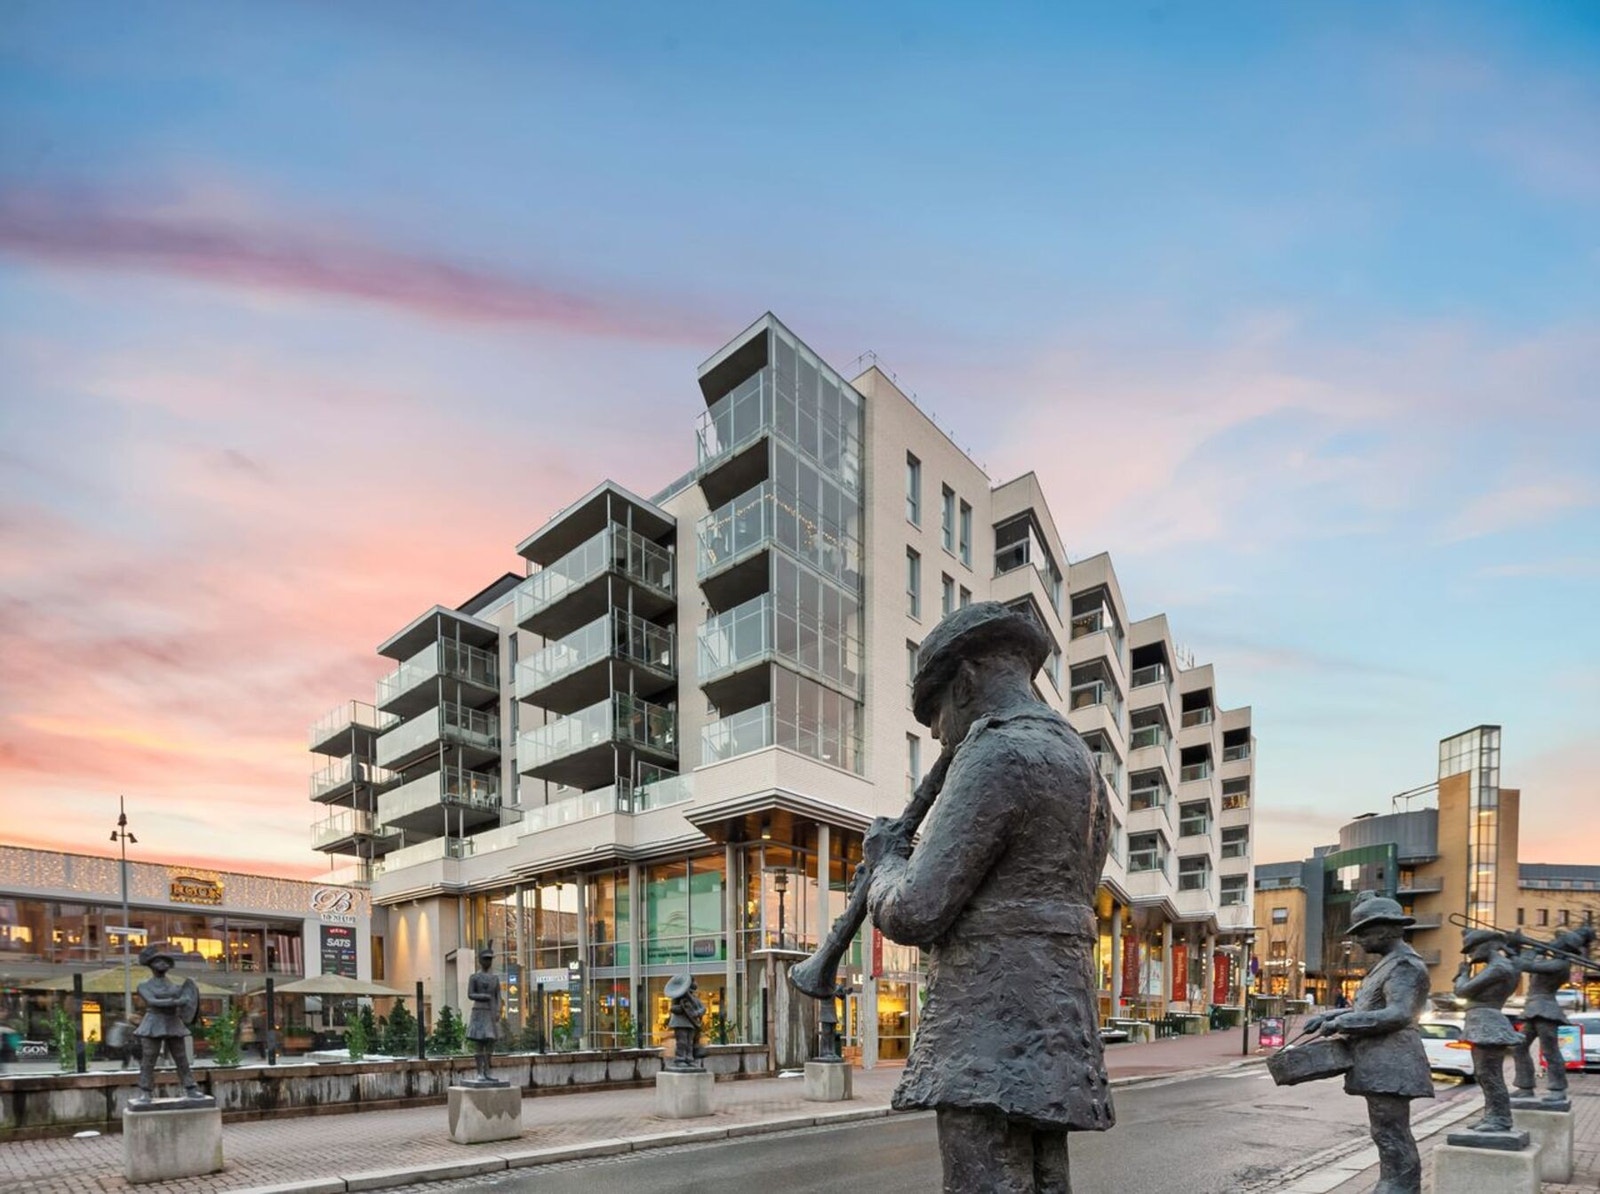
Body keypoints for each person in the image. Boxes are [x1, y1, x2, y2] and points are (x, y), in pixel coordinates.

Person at [865, 602, 1115, 1194]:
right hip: (1054, 1019)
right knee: (1044, 1179)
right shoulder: (1082, 763)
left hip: (987, 1025)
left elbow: (917, 909)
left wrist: (885, 864)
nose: (940, 737)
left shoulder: (994, 751)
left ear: (967, 681)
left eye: (938, 718)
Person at [1304, 893, 1432, 1194]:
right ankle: (1394, 1183)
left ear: (1386, 929)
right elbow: (1370, 1010)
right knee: (1383, 1130)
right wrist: (1333, 1014)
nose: (1358, 939)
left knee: (1392, 1131)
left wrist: (1340, 1023)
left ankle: (1400, 1186)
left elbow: (1399, 1014)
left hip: (1393, 1060)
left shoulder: (1405, 965)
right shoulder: (1389, 964)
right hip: (1381, 1060)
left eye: (1363, 931)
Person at [1512, 924, 1595, 1103]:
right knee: (1518, 1047)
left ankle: (1558, 1089)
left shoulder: (1560, 965)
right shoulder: (1548, 960)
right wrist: (1524, 947)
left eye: (1559, 941)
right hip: (1533, 1008)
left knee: (1550, 1051)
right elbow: (1523, 962)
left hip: (1546, 1010)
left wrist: (1533, 949)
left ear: (1565, 947)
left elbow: (1524, 965)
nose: (1554, 942)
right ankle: (1525, 1087)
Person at [1451, 929, 1521, 1132]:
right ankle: (1492, 1115)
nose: (1470, 954)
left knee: (1490, 1075)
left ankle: (1500, 1118)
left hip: (1488, 1024)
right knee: (1483, 1074)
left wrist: (1463, 975)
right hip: (1482, 1022)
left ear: (1487, 944)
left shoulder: (1499, 967)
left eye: (1472, 948)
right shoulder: (1496, 966)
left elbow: (1462, 991)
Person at [132, 941, 204, 1103]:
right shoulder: (144, 986)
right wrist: (177, 1002)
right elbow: (152, 1002)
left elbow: (189, 1000)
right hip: (153, 1022)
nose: (162, 964)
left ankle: (190, 1088)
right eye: (158, 961)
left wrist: (184, 1001)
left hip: (173, 1022)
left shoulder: (176, 987)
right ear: (151, 965)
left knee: (181, 1057)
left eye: (165, 961)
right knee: (149, 1058)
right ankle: (145, 1091)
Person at [465, 947, 503, 1083]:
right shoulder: (474, 977)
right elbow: (470, 994)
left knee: (490, 1042)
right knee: (479, 1043)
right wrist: (483, 996)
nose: (488, 962)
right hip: (479, 1012)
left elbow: (498, 996)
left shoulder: (495, 978)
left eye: (490, 959)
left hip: (491, 1013)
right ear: (480, 960)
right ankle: (479, 1072)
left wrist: (498, 1010)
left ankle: (487, 1071)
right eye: (486, 959)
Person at [665, 974, 706, 1070]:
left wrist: (697, 1013)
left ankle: (689, 1059)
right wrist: (681, 1008)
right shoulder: (677, 997)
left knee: (690, 1042)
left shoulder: (694, 998)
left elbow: (703, 1009)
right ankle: (680, 1059)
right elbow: (673, 1008)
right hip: (680, 1023)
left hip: (691, 1023)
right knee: (682, 1042)